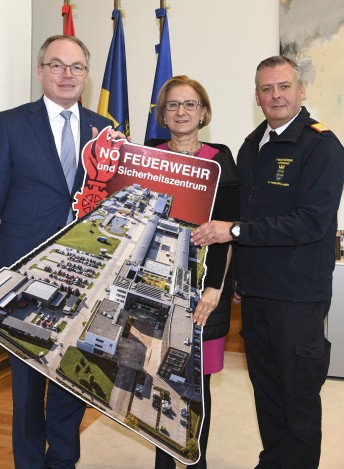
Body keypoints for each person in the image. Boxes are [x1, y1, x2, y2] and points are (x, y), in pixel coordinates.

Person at [191, 56, 344, 469]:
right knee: (268, 392)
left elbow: (310, 223)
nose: (275, 95)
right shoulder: (253, 142)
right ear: (256, 96)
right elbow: (249, 206)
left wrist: (234, 231)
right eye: (266, 88)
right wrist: (238, 275)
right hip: (256, 294)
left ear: (301, 90)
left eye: (283, 86)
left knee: (297, 398)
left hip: (297, 297)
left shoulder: (321, 145)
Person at [0, 35, 126, 468]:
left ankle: (62, 460)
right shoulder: (10, 123)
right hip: (24, 271)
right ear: (41, 71)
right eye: (57, 65)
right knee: (26, 382)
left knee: (73, 375)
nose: (67, 75)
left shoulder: (106, 129)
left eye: (76, 67)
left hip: (86, 275)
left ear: (86, 73)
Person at [148, 75, 241, 469]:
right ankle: (163, 459)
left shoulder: (220, 159)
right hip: (154, 285)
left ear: (203, 112)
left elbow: (228, 230)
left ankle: (193, 460)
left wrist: (216, 289)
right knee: (155, 377)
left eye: (190, 104)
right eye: (173, 105)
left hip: (205, 289)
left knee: (196, 385)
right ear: (162, 114)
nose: (181, 112)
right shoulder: (150, 154)